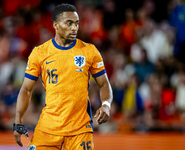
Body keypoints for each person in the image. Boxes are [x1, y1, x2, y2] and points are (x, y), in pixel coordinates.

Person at [13, 3, 113, 150]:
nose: (74, 28)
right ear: (56, 25)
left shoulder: (89, 51)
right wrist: (18, 121)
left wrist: (106, 105)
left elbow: (104, 84)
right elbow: (26, 89)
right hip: (48, 129)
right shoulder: (39, 53)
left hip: (79, 130)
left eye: (77, 23)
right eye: (69, 23)